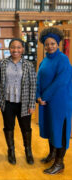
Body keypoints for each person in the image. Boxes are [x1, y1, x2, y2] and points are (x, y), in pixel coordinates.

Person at [36, 27, 72, 174]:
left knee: (60, 130)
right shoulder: (44, 60)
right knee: (50, 128)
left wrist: (44, 97)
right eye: (47, 44)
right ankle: (52, 154)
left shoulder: (63, 59)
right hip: (46, 102)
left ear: (58, 44)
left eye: (53, 44)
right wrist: (37, 96)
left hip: (60, 102)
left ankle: (59, 163)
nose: (50, 46)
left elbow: (60, 82)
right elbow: (38, 79)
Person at [0, 38, 36, 165]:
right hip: (7, 102)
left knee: (26, 128)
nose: (16, 50)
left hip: (23, 102)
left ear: (23, 49)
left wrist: (31, 104)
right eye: (13, 47)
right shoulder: (2, 64)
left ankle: (28, 151)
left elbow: (33, 85)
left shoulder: (29, 65)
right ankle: (11, 151)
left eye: (19, 47)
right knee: (8, 127)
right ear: (9, 49)